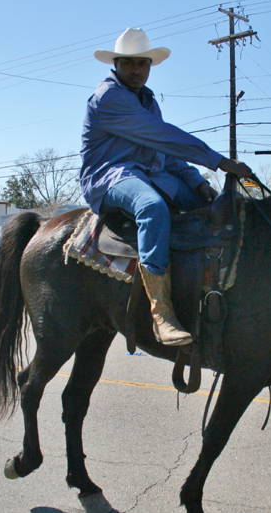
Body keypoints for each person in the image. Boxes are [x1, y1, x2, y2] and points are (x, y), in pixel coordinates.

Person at [80, 28, 252, 346]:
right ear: (116, 64)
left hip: (150, 175)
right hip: (111, 177)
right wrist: (216, 160)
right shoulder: (110, 97)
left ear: (150, 66)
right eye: (129, 63)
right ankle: (162, 313)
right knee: (152, 208)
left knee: (218, 208)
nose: (137, 70)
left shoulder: (147, 100)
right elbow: (163, 136)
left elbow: (165, 154)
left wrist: (198, 182)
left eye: (143, 63)